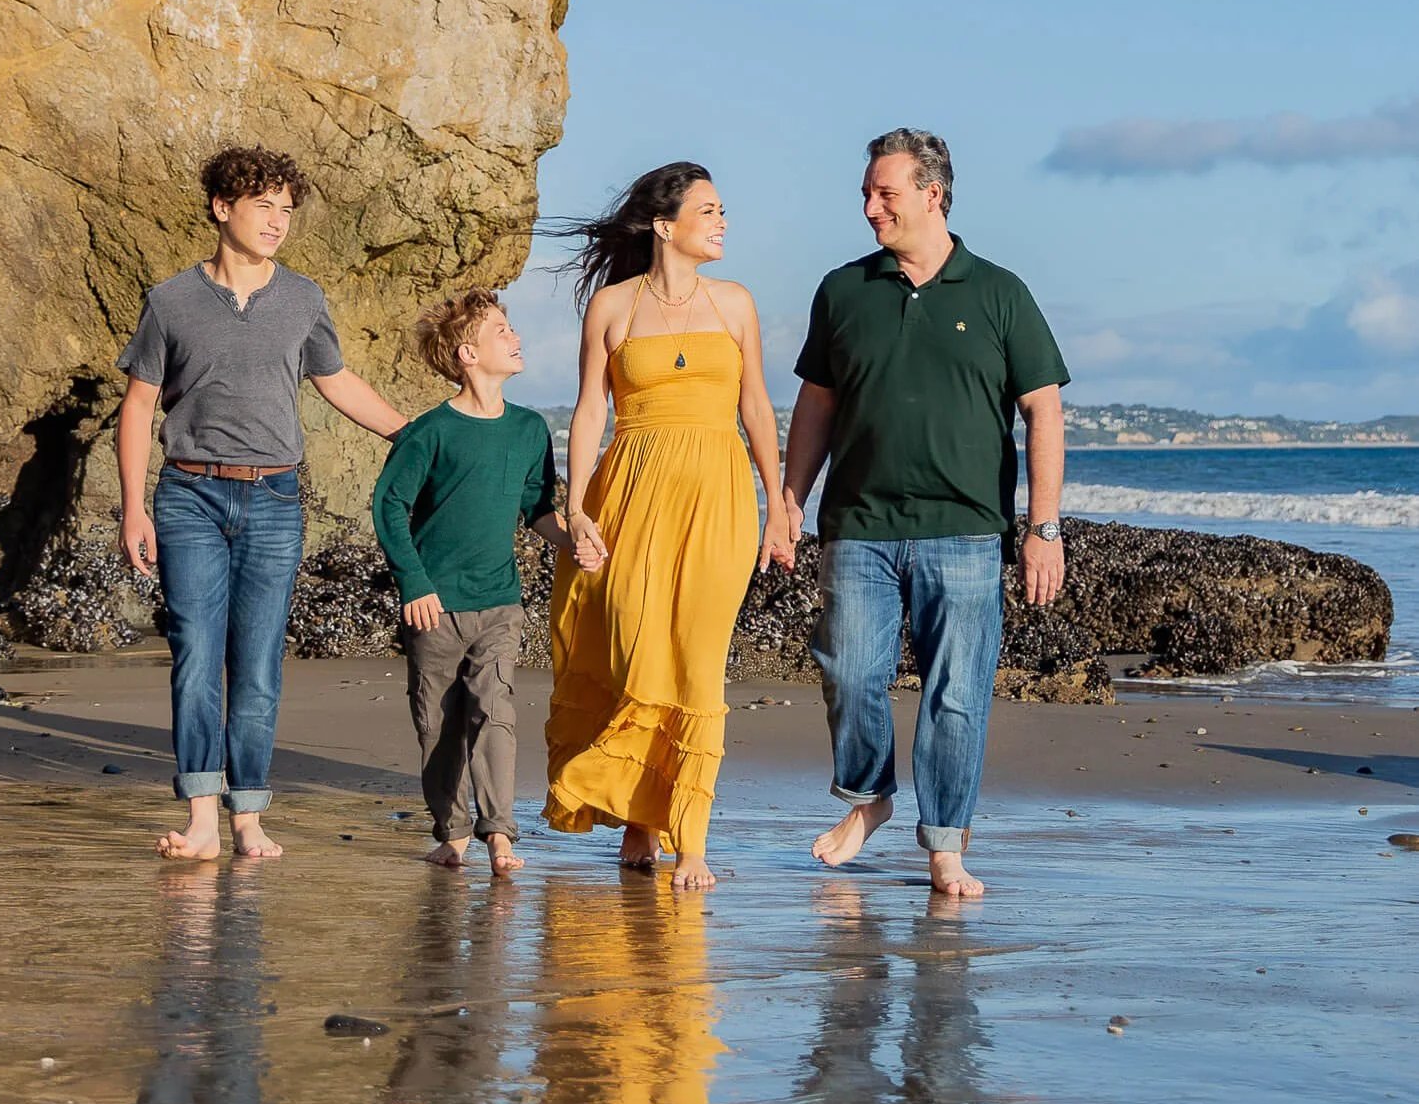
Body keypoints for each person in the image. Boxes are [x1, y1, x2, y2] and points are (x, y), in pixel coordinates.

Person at [781, 129, 1068, 900]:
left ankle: (944, 845)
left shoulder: (998, 291)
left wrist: (1043, 529)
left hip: (967, 531)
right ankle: (868, 798)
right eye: (867, 195)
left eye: (886, 194)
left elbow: (1043, 410)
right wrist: (787, 499)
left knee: (955, 694)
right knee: (847, 670)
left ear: (931, 195)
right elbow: (815, 403)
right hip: (859, 525)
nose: (872, 208)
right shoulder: (843, 290)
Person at [118, 146, 404, 862]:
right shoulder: (171, 300)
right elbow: (139, 404)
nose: (277, 222)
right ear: (223, 209)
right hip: (188, 494)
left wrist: (410, 434)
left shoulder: (303, 299)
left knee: (256, 666)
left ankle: (248, 815)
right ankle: (203, 819)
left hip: (276, 497)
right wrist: (133, 508)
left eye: (286, 210)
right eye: (263, 207)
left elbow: (336, 382)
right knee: (194, 654)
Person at [545, 162, 796, 892]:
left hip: (717, 497)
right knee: (633, 644)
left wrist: (777, 504)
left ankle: (690, 840)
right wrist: (577, 505)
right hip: (628, 491)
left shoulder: (735, 304)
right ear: (665, 225)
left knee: (694, 658)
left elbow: (755, 407)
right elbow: (590, 407)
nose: (722, 222)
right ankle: (636, 818)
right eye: (708, 211)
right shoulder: (613, 306)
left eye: (723, 211)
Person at [372, 289, 567, 878]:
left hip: (500, 602)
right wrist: (414, 583)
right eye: (501, 331)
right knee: (436, 725)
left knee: (494, 709)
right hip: (434, 606)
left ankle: (500, 833)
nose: (515, 337)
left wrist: (573, 542)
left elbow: (537, 507)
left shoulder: (531, 429)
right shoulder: (430, 432)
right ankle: (451, 831)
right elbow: (389, 505)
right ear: (467, 353)